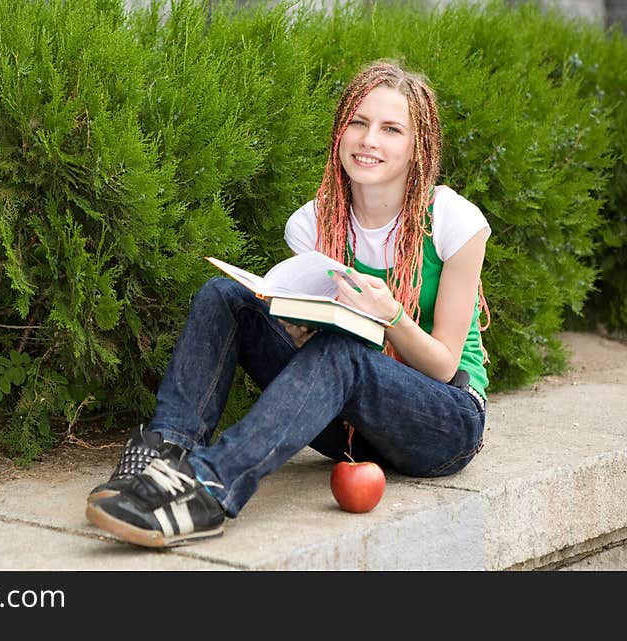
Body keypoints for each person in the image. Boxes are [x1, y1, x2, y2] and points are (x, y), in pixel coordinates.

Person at [85, 60, 490, 548]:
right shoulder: (311, 225)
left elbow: (445, 367)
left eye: (391, 129)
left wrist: (393, 316)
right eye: (358, 123)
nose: (369, 140)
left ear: (417, 146)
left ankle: (209, 487)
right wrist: (299, 328)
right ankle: (164, 458)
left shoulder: (454, 220)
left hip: (442, 419)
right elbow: (317, 349)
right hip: (343, 425)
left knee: (345, 356)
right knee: (226, 296)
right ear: (340, 131)